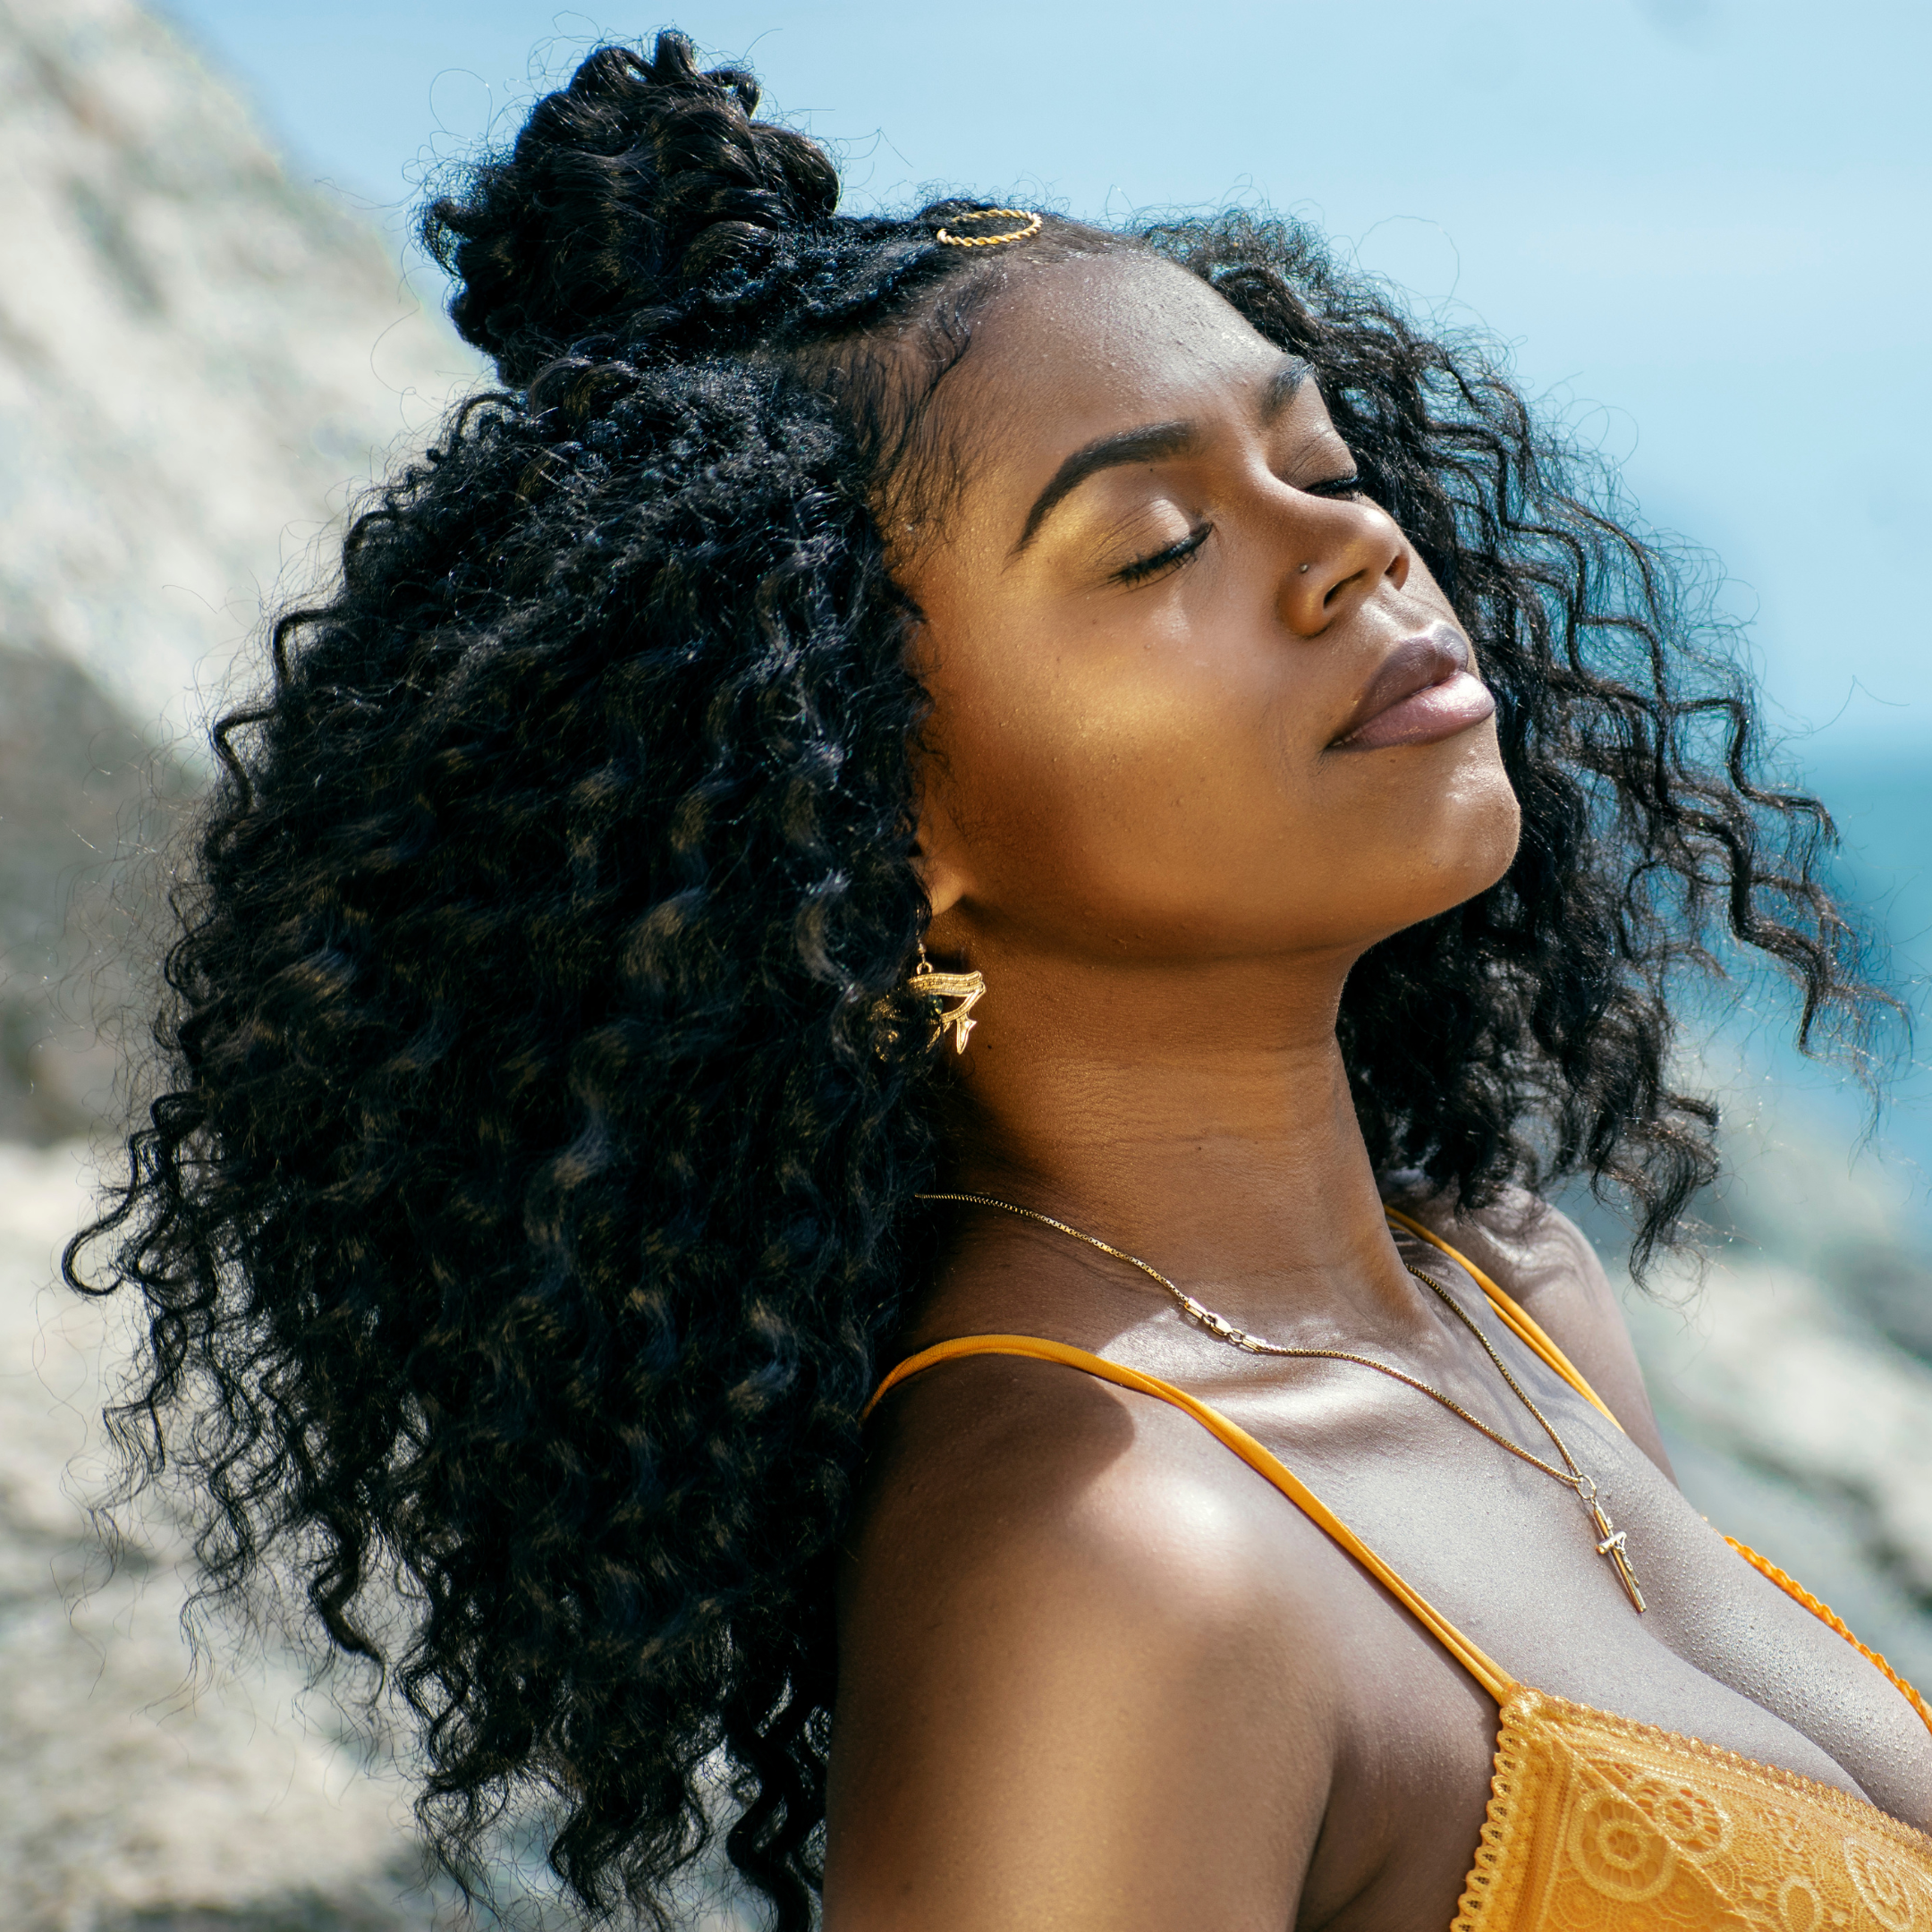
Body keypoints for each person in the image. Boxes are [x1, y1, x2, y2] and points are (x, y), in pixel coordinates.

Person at [68, 29, 1928, 1932]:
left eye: (1319, 461)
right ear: (872, 813)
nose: (1352, 548)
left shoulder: (1512, 1296)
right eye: (1156, 546)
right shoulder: (1103, 1553)